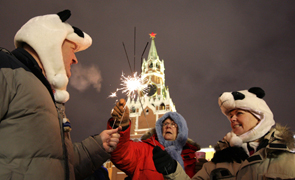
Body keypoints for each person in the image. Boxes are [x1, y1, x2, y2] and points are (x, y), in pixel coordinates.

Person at [0, 10, 121, 180]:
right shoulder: (6, 69)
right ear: (51, 43)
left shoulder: (48, 94)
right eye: (72, 48)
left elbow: (57, 163)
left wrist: (99, 145)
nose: (75, 60)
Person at [154, 87, 295, 180]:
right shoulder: (220, 160)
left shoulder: (287, 156)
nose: (233, 119)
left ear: (260, 116)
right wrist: (172, 170)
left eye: (239, 113)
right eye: (230, 115)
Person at [108, 98, 201, 180]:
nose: (168, 126)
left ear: (181, 130)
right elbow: (121, 154)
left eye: (173, 124)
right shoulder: (145, 150)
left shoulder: (194, 160)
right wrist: (122, 126)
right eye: (165, 124)